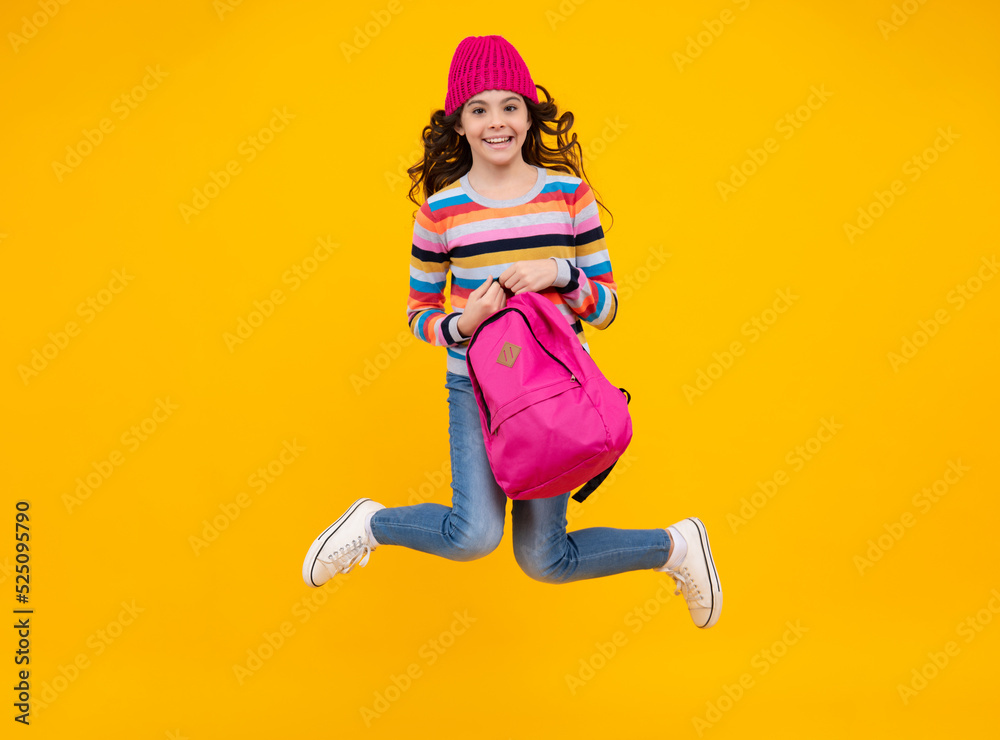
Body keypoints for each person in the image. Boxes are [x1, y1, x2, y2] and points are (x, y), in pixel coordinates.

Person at [301, 35, 723, 628]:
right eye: (479, 109)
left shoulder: (568, 197)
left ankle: (677, 547)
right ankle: (371, 523)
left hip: (553, 392)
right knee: (472, 533)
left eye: (508, 106)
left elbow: (605, 308)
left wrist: (560, 272)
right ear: (460, 124)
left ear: (528, 115)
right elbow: (419, 313)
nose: (495, 121)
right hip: (478, 392)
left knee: (544, 558)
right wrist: (464, 321)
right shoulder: (440, 212)